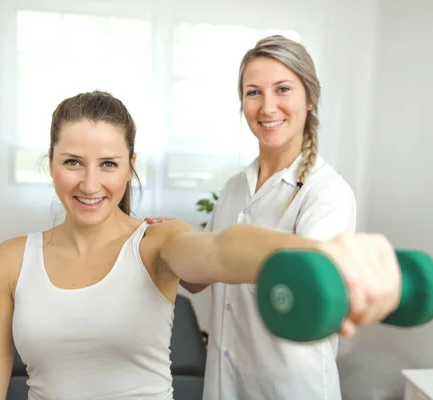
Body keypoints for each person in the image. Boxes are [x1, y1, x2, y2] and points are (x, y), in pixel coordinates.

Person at [0, 90, 399, 400]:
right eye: (73, 162)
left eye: (109, 164)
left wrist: (324, 253)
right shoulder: (11, 259)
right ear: (51, 162)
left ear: (130, 167)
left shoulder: (156, 243)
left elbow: (222, 249)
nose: (90, 184)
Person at [150, 35, 359, 399]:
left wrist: (230, 252)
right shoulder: (235, 187)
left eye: (282, 89)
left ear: (310, 99)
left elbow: (312, 289)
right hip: (225, 383)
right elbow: (201, 279)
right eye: (253, 92)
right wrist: (173, 241)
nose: (267, 107)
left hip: (289, 387)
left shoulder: (325, 193)